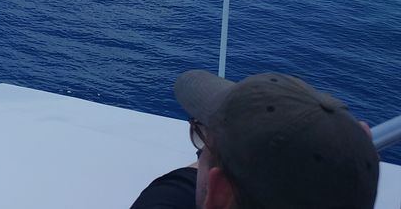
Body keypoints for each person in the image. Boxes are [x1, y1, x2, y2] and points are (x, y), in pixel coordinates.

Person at [130, 69, 379, 209]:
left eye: (202, 139)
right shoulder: (348, 190)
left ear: (221, 196)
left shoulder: (163, 200)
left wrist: (218, 150)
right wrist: (346, 159)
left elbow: (176, 191)